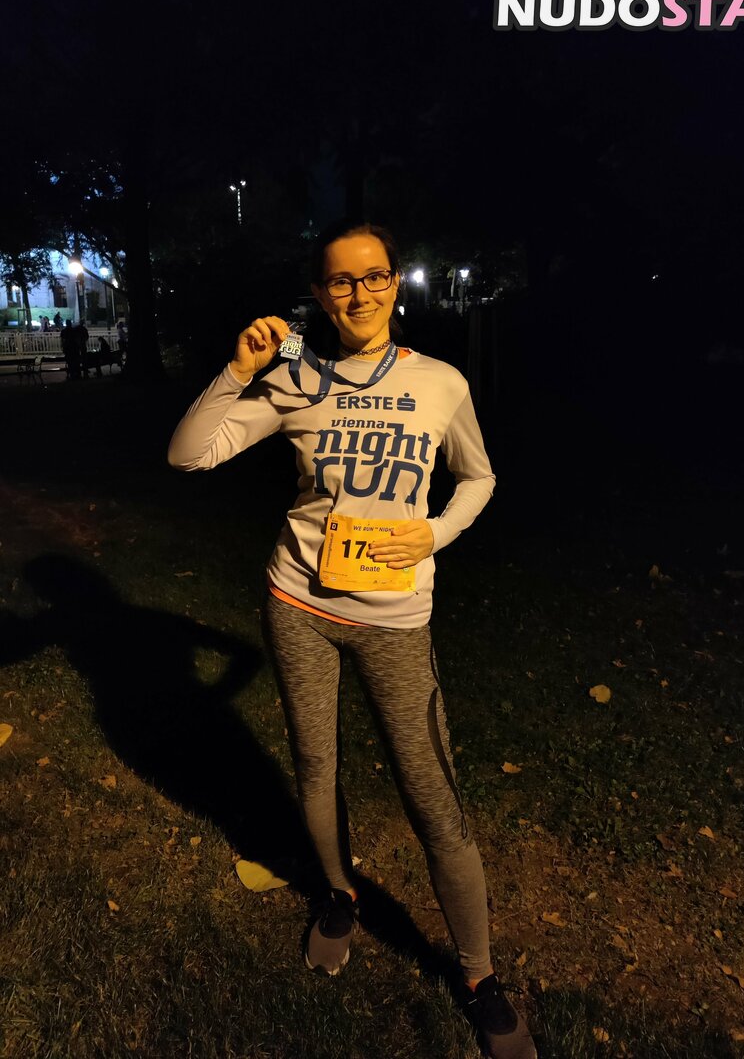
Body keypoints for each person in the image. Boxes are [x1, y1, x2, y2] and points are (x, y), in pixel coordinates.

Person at [167, 219, 536, 1059]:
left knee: (430, 794)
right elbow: (189, 456)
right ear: (320, 293)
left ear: (395, 283)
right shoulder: (297, 381)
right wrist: (238, 372)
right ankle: (339, 894)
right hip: (297, 604)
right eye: (340, 280)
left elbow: (478, 476)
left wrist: (435, 533)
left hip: (394, 621)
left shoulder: (439, 383)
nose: (359, 292)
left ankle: (478, 975)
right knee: (315, 765)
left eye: (373, 276)